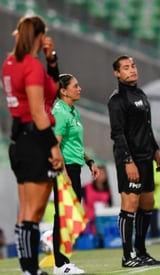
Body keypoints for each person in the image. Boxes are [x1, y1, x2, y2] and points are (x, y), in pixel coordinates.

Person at [1, 14, 64, 275]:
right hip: (36, 140)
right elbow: (39, 111)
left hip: (18, 141)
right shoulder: (31, 66)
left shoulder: (10, 62)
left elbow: (52, 90)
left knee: (26, 209)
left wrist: (51, 61)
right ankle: (30, 269)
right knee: (34, 211)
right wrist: (53, 146)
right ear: (39, 36)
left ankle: (28, 269)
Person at [108, 55, 160, 268]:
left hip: (145, 157)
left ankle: (141, 251)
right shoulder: (116, 100)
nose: (131, 70)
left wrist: (156, 149)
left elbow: (147, 127)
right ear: (117, 73)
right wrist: (128, 161)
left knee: (147, 203)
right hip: (128, 160)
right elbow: (117, 134)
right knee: (129, 205)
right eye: (125, 68)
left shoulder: (141, 94)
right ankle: (127, 255)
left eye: (132, 66)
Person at [52, 73, 100, 274]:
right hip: (64, 169)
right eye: (75, 86)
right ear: (63, 91)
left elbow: (75, 144)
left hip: (74, 167)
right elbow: (55, 145)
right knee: (63, 216)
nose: (79, 89)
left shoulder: (72, 111)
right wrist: (64, 174)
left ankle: (64, 262)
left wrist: (89, 161)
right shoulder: (60, 112)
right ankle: (60, 264)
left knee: (69, 216)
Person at [82, 165, 112, 235]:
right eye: (99, 173)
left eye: (103, 173)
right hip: (87, 222)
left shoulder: (107, 190)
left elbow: (110, 207)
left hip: (102, 221)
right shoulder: (86, 187)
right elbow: (78, 202)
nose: (101, 176)